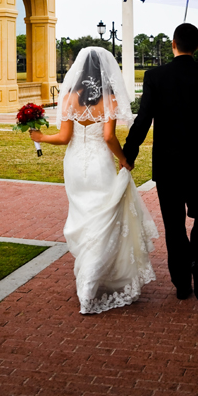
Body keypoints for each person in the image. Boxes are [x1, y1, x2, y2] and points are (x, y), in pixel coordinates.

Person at [30, 46, 158, 315]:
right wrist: (124, 159)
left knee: (82, 216)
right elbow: (109, 137)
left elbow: (64, 137)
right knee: (103, 217)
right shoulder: (109, 98)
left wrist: (41, 139)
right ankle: (90, 280)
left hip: (75, 164)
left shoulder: (70, 97)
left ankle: (89, 276)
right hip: (99, 163)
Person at [123, 23, 198, 303]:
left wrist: (129, 154)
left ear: (173, 44)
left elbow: (143, 119)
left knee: (174, 225)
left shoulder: (155, 76)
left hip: (168, 163)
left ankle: (182, 283)